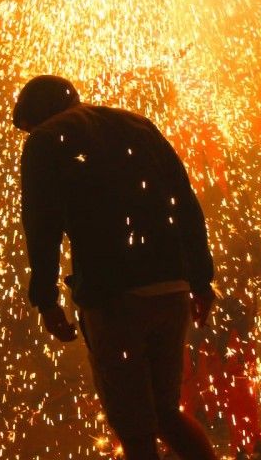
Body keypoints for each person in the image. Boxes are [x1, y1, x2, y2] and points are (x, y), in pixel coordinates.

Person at [14, 75, 218, 460]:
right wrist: (201, 280)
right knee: (166, 413)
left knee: (134, 428)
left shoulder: (45, 141)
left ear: (36, 117)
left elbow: (42, 228)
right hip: (171, 288)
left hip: (115, 298)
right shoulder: (137, 124)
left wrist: (46, 300)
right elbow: (186, 204)